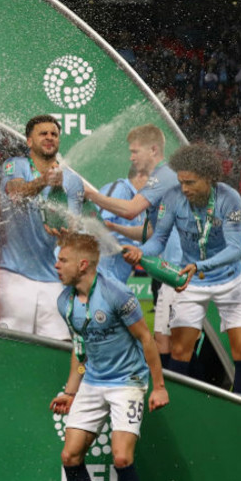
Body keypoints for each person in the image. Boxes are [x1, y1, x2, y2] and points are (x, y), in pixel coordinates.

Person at [51, 233, 168, 481]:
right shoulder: (65, 301)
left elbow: (146, 339)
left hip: (126, 382)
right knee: (69, 456)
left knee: (121, 458)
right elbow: (79, 350)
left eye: (63, 260)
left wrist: (158, 387)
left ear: (83, 264)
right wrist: (69, 391)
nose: (57, 265)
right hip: (92, 384)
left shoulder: (116, 293)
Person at [122, 144, 241, 391]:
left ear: (209, 178)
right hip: (190, 283)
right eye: (181, 181)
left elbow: (236, 249)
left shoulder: (230, 198)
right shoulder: (173, 198)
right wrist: (142, 251)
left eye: (190, 182)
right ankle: (178, 409)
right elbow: (159, 238)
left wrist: (199, 265)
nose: (184, 188)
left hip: (229, 281)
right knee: (180, 350)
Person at [87, 125, 182, 367]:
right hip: (169, 271)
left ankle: (183, 394)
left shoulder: (164, 176)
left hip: (180, 268)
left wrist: (90, 193)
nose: (131, 157)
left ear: (153, 150)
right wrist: (116, 229)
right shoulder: (163, 179)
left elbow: (130, 211)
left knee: (173, 346)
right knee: (166, 343)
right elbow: (150, 232)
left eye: (135, 151)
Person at [0, 115, 85, 339]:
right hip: (14, 274)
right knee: (10, 348)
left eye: (54, 134)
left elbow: (72, 224)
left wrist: (66, 232)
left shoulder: (72, 181)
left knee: (57, 349)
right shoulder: (15, 166)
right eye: (43, 133)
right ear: (29, 141)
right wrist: (45, 180)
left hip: (54, 278)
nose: (49, 137)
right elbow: (15, 193)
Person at [95, 167, 146, 284]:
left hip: (115, 281)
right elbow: (94, 226)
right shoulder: (120, 190)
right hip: (99, 277)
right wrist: (119, 245)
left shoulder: (142, 204)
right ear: (140, 175)